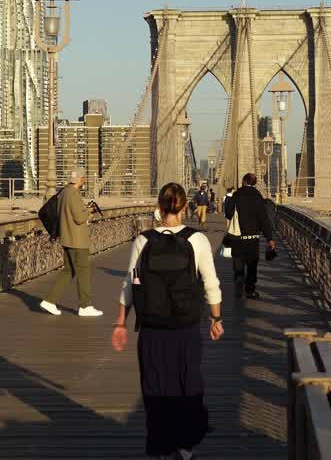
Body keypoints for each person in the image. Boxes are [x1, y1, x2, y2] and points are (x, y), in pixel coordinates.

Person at [113, 182, 223, 459]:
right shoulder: (197, 240)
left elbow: (128, 285)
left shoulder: (143, 241)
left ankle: (161, 447)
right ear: (185, 207)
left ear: (159, 208)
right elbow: (211, 284)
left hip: (152, 329)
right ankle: (185, 446)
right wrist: (216, 318)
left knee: (155, 387)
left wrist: (120, 323)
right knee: (188, 384)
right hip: (186, 327)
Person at [40, 168, 104, 317]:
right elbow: (79, 218)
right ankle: (85, 306)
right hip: (77, 240)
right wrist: (90, 211)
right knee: (83, 271)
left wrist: (84, 209)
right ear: (81, 179)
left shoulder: (64, 192)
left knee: (69, 271)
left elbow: (69, 213)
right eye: (84, 178)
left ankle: (50, 300)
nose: (84, 180)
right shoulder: (74, 193)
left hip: (66, 237)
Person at [223, 173, 275, 299]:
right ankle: (250, 291)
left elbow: (228, 214)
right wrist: (269, 238)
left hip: (237, 237)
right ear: (255, 183)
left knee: (238, 264)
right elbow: (264, 220)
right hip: (253, 239)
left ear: (244, 181)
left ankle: (238, 286)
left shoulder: (236, 196)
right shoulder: (258, 198)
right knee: (252, 266)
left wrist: (229, 201)